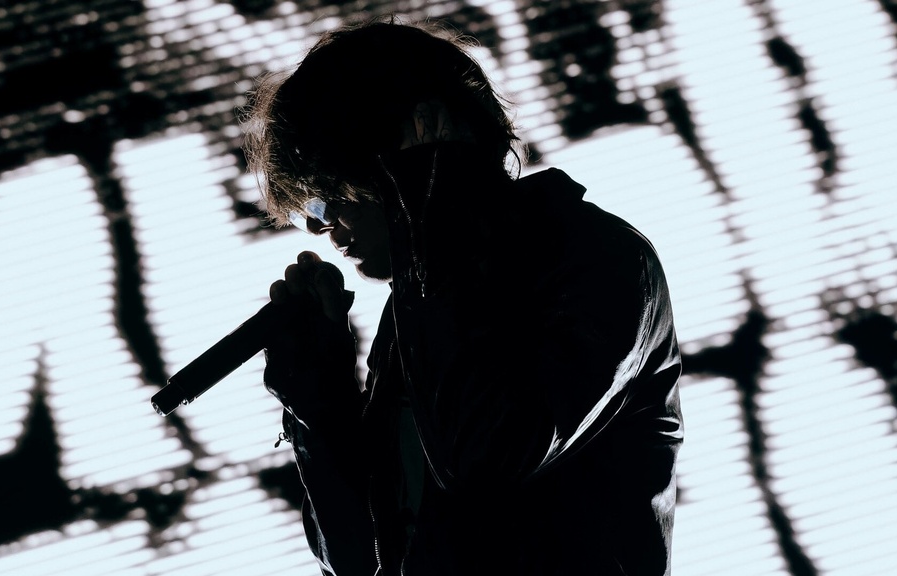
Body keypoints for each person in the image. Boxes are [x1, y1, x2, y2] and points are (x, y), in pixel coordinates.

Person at [242, 19, 684, 576]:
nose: (318, 223)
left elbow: (485, 461)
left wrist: (433, 209)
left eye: (329, 191)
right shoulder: (418, 303)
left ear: (417, 148)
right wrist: (319, 402)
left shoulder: (597, 258)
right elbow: (358, 561)